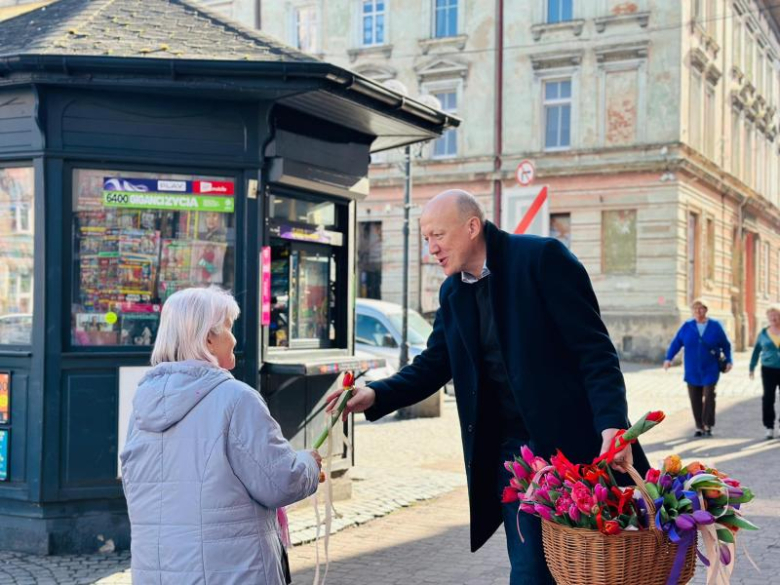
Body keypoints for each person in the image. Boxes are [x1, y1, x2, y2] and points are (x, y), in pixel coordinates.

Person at [326, 190, 648, 585]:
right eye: (426, 238)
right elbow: (435, 362)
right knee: (530, 571)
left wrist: (613, 424)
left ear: (472, 227)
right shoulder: (452, 292)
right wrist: (379, 394)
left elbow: (594, 352)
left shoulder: (542, 260)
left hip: (576, 449)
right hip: (516, 461)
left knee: (592, 570)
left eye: (438, 235)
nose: (431, 248)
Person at [120, 287, 322, 585]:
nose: (235, 339)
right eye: (229, 328)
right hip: (232, 572)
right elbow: (280, 482)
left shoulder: (144, 403)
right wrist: (309, 464)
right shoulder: (236, 399)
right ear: (208, 339)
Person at [664, 298, 733, 438]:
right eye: (695, 309)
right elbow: (676, 343)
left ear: (706, 310)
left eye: (701, 308)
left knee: (709, 396)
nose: (698, 311)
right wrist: (668, 358)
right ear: (692, 311)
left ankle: (708, 424)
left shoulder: (715, 326)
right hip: (692, 370)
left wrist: (729, 360)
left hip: (710, 368)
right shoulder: (687, 326)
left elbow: (726, 345)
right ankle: (699, 426)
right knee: (695, 398)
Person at [748, 304, 780, 440]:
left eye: (776, 315)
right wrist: (752, 367)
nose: (773, 318)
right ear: (767, 317)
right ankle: (769, 427)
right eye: (771, 315)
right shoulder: (763, 333)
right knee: (768, 398)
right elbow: (756, 351)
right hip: (768, 369)